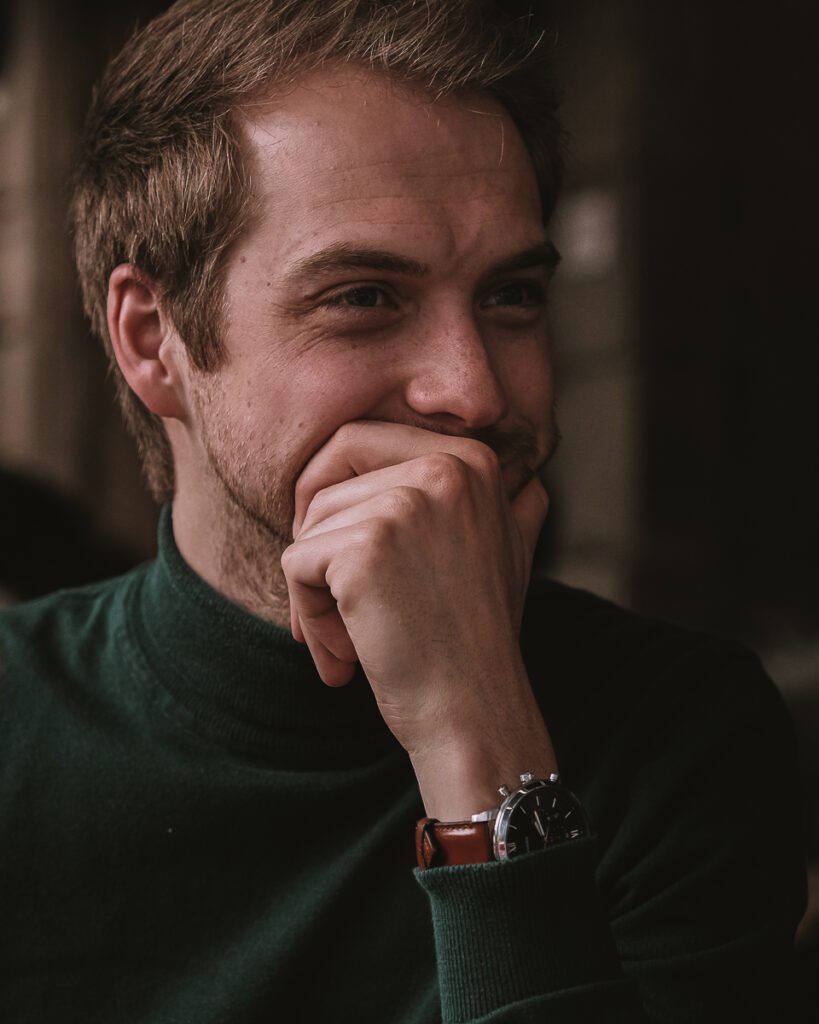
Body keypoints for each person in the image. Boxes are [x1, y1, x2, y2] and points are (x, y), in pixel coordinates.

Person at [0, 1, 806, 1021]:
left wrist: (478, 736)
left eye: (511, 296)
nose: (473, 392)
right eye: (366, 297)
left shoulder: (682, 735)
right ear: (154, 340)